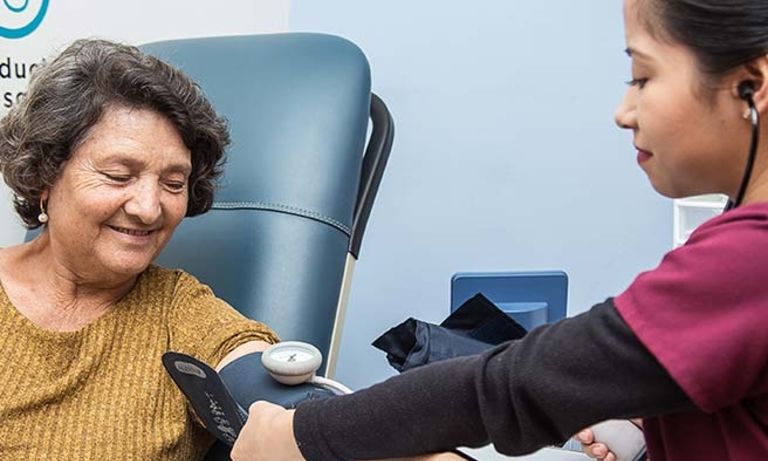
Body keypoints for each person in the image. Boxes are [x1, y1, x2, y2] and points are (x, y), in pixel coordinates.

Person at [230, 0, 768, 460]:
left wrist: (300, 433)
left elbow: (513, 387)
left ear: (753, 84)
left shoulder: (749, 257)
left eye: (643, 77)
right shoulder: (737, 238)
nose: (624, 112)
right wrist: (649, 428)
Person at [0, 39, 282, 460]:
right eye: (118, 175)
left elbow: (269, 394)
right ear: (45, 175)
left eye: (173, 184)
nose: (149, 209)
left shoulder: (180, 313)